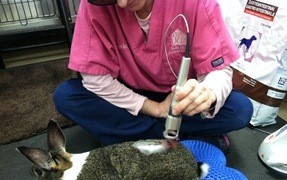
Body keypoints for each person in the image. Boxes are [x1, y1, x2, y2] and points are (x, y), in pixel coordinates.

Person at [53, 0, 253, 153]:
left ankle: (130, 138)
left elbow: (218, 69)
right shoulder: (94, 5)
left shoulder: (195, 2)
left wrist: (208, 94)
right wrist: (155, 108)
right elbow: (95, 79)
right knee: (67, 96)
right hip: (130, 95)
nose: (122, 4)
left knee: (239, 110)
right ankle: (182, 139)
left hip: (180, 98)